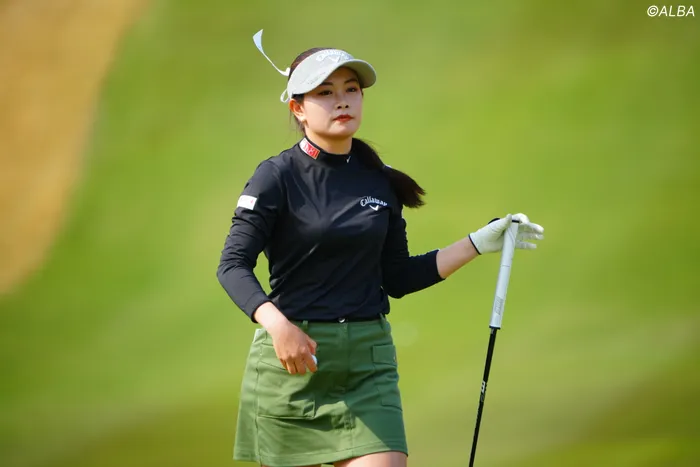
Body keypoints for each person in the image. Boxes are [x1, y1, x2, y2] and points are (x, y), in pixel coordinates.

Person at [217, 30, 544, 467]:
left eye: (351, 90)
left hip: (368, 367)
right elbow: (232, 265)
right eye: (325, 92)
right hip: (294, 363)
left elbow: (398, 278)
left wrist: (476, 243)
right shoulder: (276, 177)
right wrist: (278, 326)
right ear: (298, 108)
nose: (342, 101)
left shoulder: (380, 180)